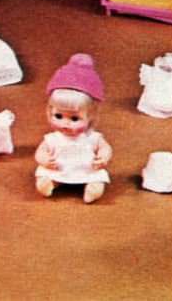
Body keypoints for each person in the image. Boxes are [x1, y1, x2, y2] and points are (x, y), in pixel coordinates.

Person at [34, 54, 113, 204]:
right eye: (58, 116)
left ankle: (93, 189)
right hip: (58, 167)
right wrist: (44, 160)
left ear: (90, 116)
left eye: (74, 119)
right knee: (46, 174)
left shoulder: (92, 137)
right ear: (50, 111)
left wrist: (103, 157)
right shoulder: (53, 138)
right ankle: (50, 183)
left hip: (87, 168)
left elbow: (105, 147)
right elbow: (41, 151)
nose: (65, 124)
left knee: (97, 177)